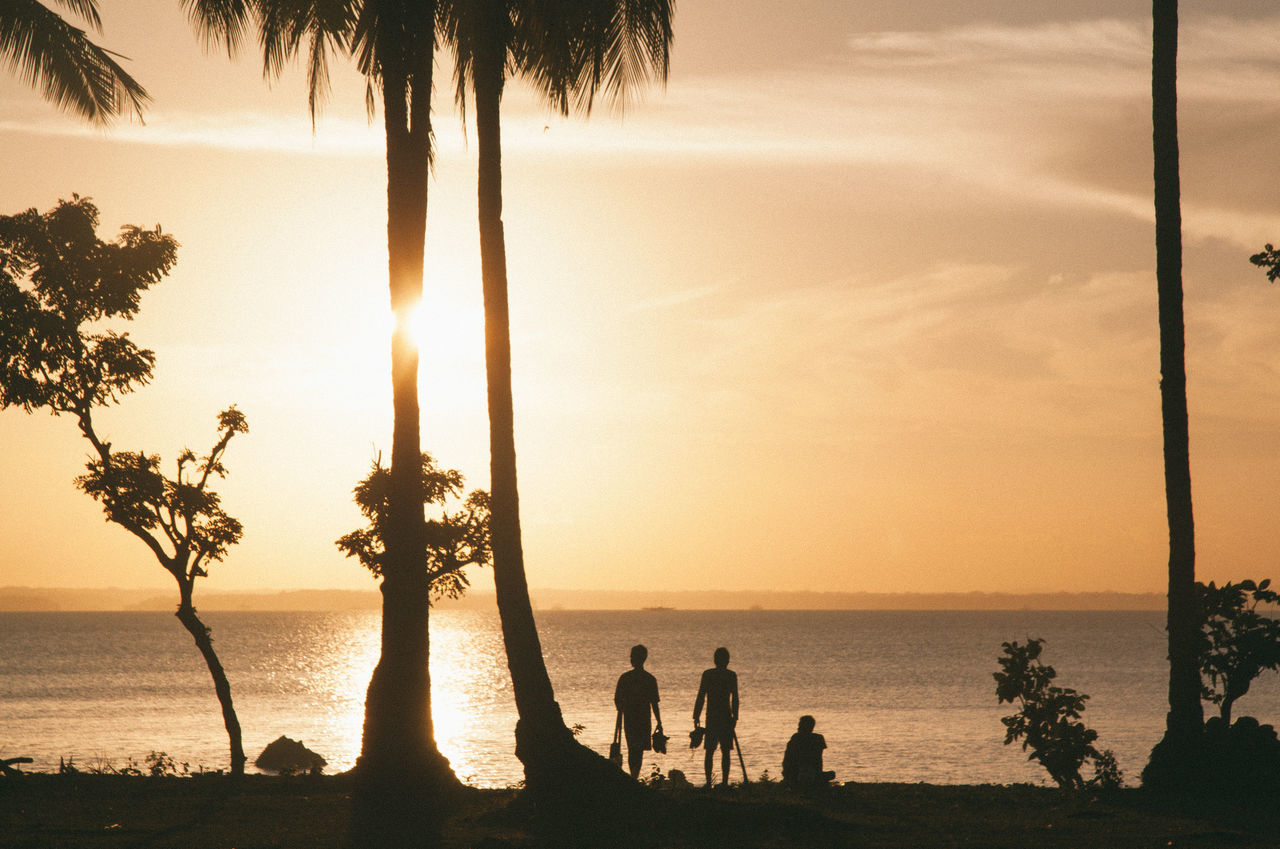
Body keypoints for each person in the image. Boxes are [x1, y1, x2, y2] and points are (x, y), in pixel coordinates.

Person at [614, 644, 662, 779]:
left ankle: (633, 776)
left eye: (632, 657)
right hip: (642, 718)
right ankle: (634, 776)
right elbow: (654, 704)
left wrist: (620, 708)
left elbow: (617, 699)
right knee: (638, 749)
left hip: (631, 718)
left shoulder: (626, 678)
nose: (630, 659)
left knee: (633, 748)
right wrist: (659, 721)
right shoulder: (649, 679)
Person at [693, 646, 739, 786]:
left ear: (715, 660)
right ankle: (722, 782)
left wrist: (696, 715)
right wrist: (735, 717)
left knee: (711, 751)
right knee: (723, 751)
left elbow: (701, 696)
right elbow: (735, 698)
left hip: (715, 717)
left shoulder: (709, 675)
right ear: (727, 661)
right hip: (724, 717)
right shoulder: (730, 675)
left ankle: (710, 782)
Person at [782, 714, 836, 788]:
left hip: (803, 772)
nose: (798, 728)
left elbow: (817, 759)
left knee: (830, 774)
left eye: (800, 725)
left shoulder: (800, 738)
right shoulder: (816, 738)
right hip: (797, 773)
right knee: (830, 774)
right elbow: (818, 759)